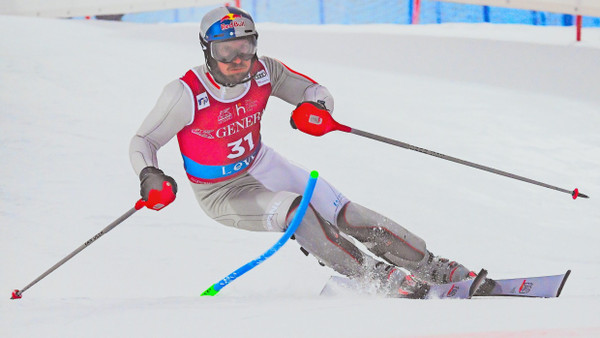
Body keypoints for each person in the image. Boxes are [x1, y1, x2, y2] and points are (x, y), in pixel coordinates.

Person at [130, 6, 480, 298]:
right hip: (222, 191)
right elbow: (143, 141)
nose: (238, 59)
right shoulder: (185, 93)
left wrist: (316, 109)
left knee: (348, 216)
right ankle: (379, 280)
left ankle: (432, 266)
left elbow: (317, 90)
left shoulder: (265, 71)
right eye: (226, 51)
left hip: (261, 163)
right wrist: (150, 175)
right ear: (207, 49)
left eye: (246, 47)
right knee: (298, 213)